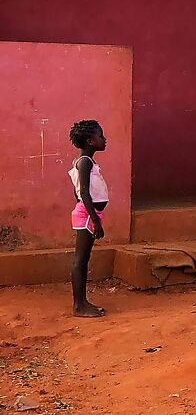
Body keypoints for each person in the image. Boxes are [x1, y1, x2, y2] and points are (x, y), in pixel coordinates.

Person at [68, 120, 109, 317]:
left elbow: (78, 191)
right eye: (100, 136)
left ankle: (82, 302)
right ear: (90, 141)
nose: (104, 139)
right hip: (87, 216)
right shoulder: (84, 162)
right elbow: (83, 192)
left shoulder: (87, 162)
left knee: (83, 259)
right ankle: (79, 306)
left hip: (88, 214)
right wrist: (95, 219)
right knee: (81, 260)